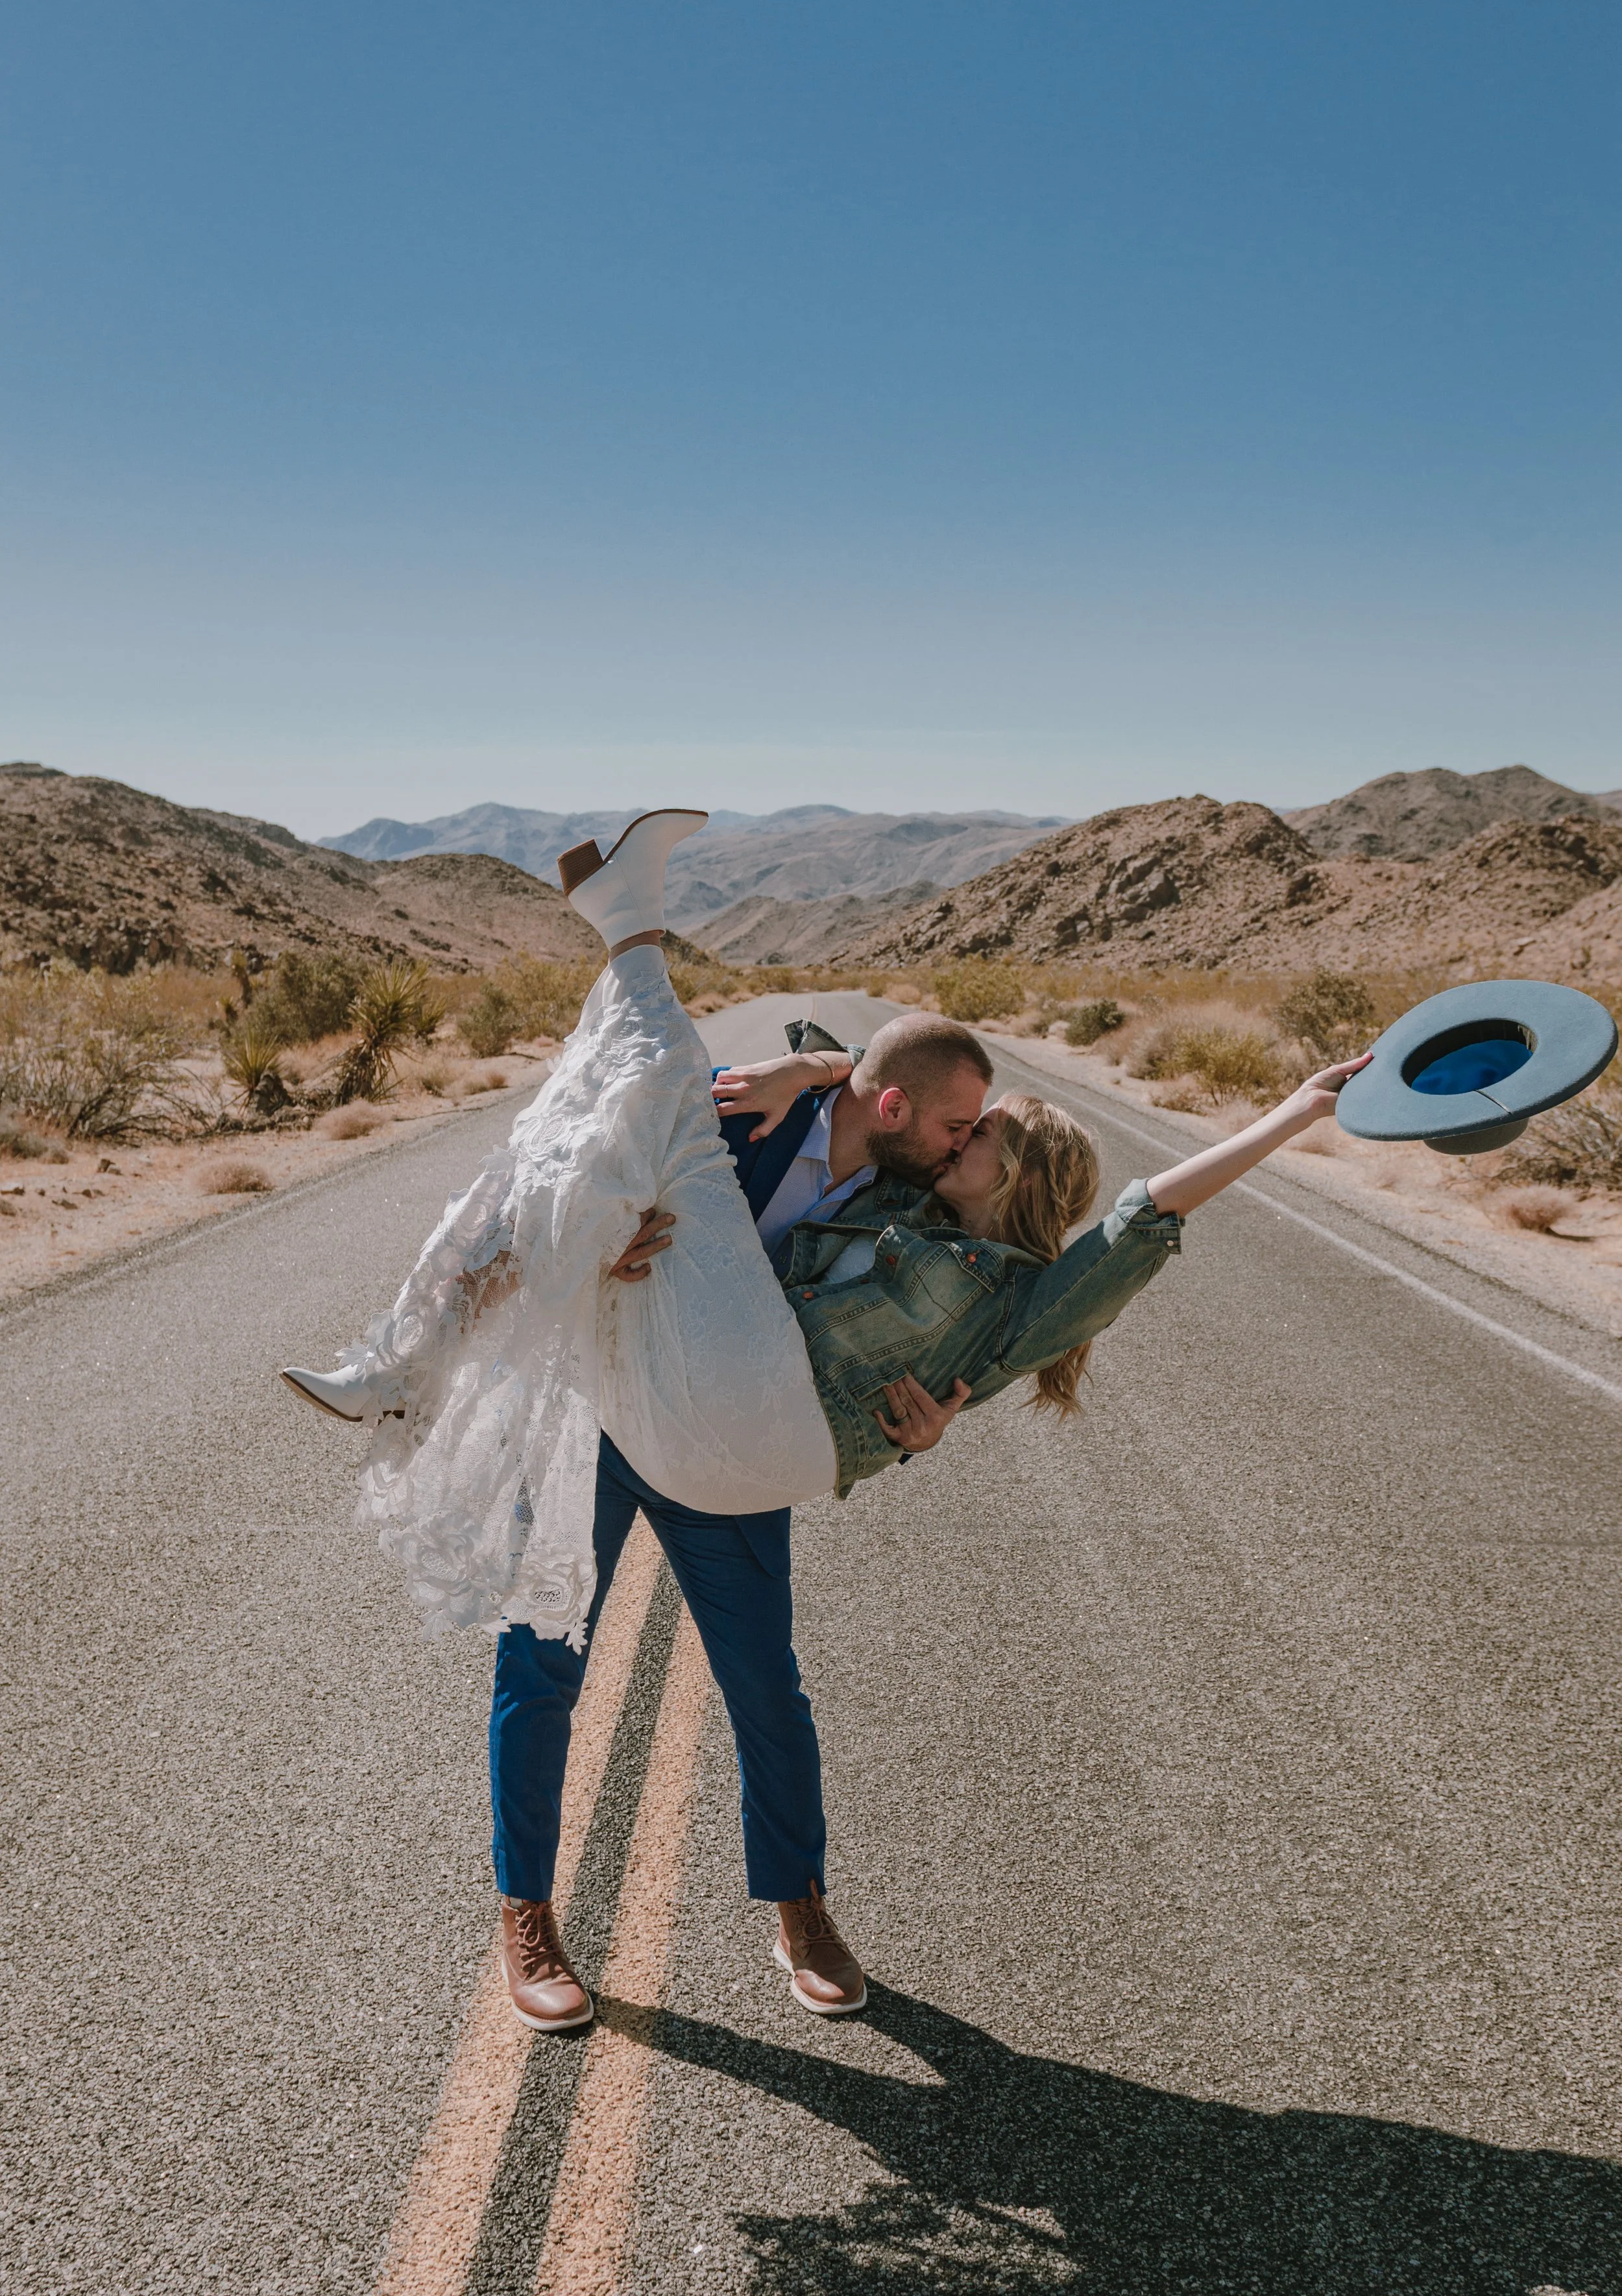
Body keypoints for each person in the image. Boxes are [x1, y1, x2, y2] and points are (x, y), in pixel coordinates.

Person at [282, 809, 1368, 2031]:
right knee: (540, 1658)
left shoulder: (966, 1256)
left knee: (766, 1690)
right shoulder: (802, 1130)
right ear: (899, 1109)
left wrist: (1292, 1112)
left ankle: (799, 1905)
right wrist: (624, 1228)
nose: (961, 1139)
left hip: (739, 1445)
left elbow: (1132, 1221)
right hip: (621, 1403)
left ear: (1008, 1174)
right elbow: (847, 1087)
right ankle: (525, 1910)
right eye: (959, 1123)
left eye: (980, 1136)